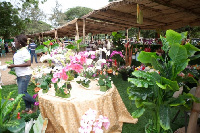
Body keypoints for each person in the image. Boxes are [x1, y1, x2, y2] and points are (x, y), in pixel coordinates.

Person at [8, 34, 36, 114]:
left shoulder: (24, 51)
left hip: (24, 75)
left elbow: (28, 63)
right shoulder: (20, 51)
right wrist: (12, 66)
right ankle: (28, 108)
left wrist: (15, 65)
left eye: (15, 41)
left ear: (20, 42)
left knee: (22, 93)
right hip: (20, 75)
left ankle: (36, 104)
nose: (14, 43)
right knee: (24, 92)